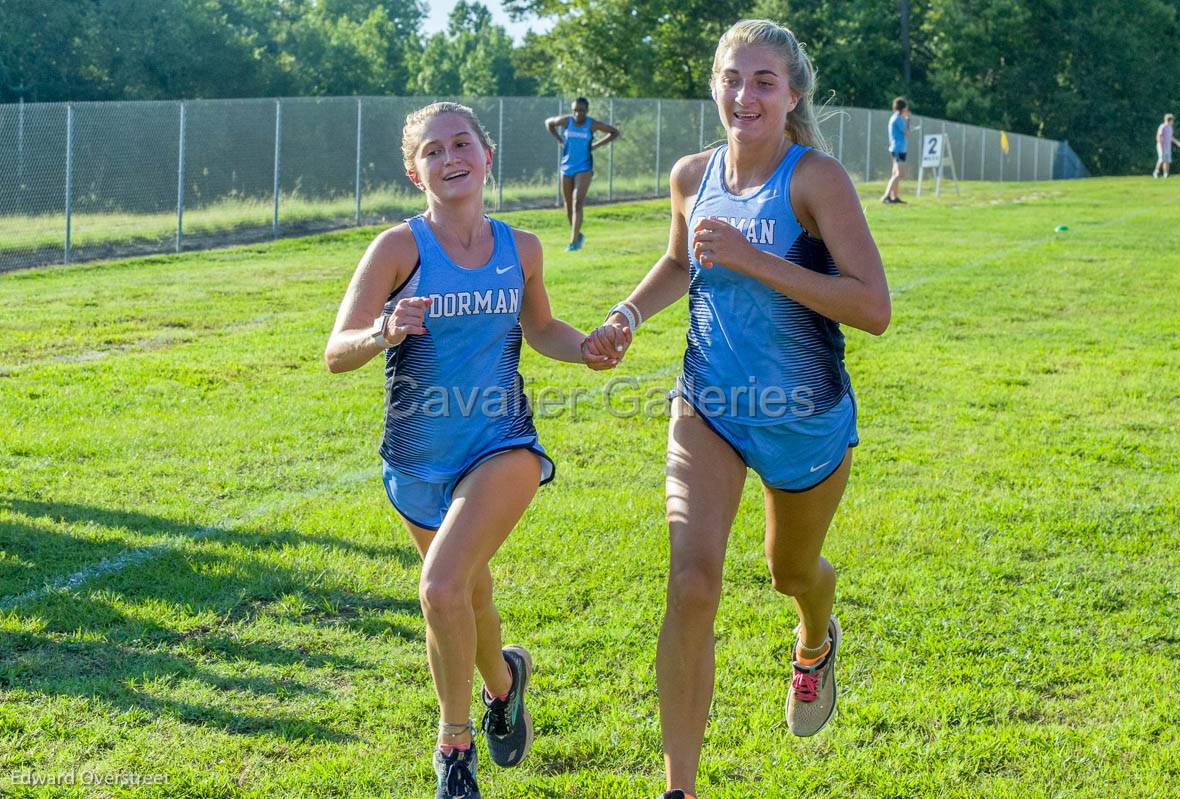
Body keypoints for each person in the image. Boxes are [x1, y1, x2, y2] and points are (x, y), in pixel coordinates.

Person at [586, 19, 891, 799]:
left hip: (804, 413)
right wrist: (626, 313)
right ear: (714, 85)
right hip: (708, 404)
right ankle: (679, 787)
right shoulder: (693, 174)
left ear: (792, 96)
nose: (744, 94)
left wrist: (758, 261)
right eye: (731, 77)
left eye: (763, 81)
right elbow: (680, 261)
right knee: (691, 581)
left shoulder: (814, 179)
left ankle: (816, 637)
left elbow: (873, 307)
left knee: (790, 570)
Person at [324, 101, 627, 799]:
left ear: (488, 155)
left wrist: (584, 349)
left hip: (501, 445)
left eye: (462, 143)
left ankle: (453, 747)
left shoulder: (521, 248)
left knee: (439, 586)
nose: (450, 157)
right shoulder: (398, 249)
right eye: (433, 150)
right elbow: (336, 352)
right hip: (416, 459)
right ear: (413, 170)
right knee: (467, 594)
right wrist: (382, 330)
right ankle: (505, 681)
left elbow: (542, 326)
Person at [545, 97, 620, 251]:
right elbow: (549, 123)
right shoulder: (567, 121)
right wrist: (559, 140)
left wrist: (596, 145)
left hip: (584, 167)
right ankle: (577, 234)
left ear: (587, 111)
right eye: (575, 110)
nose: (578, 114)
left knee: (577, 201)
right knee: (568, 205)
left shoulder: (591, 124)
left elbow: (614, 132)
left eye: (581, 111)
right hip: (566, 167)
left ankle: (572, 243)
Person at [882, 97, 910, 203]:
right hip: (898, 149)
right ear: (903, 108)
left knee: (895, 174)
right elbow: (907, 133)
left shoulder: (895, 117)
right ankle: (886, 196)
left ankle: (894, 197)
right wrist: (908, 120)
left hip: (898, 149)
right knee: (899, 173)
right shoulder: (898, 118)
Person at [1154, 113, 1180, 178]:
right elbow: (1159, 137)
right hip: (1161, 146)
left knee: (1167, 160)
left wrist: (1177, 142)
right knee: (1161, 159)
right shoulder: (1162, 126)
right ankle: (1156, 172)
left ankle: (1166, 174)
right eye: (1172, 120)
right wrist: (1161, 147)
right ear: (1169, 120)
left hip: (1168, 146)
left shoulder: (1170, 128)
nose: (1173, 122)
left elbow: (1170, 137)